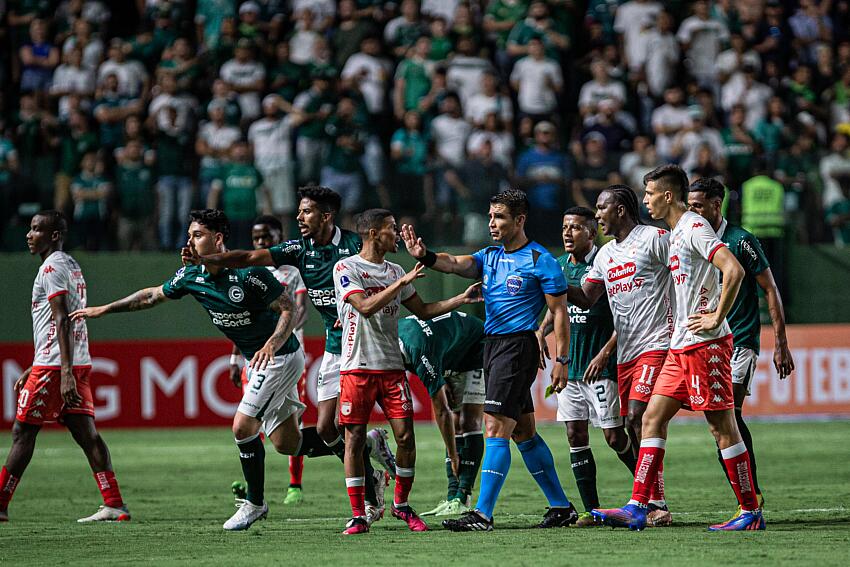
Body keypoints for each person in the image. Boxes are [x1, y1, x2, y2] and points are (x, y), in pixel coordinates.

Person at [72, 210, 335, 531]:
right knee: (286, 444)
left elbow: (288, 308)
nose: (190, 241)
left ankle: (254, 503)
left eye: (197, 235)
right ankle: (359, 445)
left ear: (218, 239)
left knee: (242, 426)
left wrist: (272, 343)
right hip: (262, 358)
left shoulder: (248, 273)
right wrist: (105, 309)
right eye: (189, 236)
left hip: (280, 356)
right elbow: (151, 296)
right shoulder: (191, 276)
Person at [186, 187, 396, 526]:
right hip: (333, 347)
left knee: (354, 427)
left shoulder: (356, 246)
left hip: (367, 346)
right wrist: (209, 259)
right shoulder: (299, 249)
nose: (299, 218)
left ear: (326, 216)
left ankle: (380, 501)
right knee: (327, 430)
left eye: (307, 212)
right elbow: (251, 258)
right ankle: (374, 457)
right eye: (299, 211)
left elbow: (387, 274)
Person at [592, 165, 763, 531]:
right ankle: (640, 505)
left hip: (706, 345)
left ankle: (750, 511)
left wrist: (717, 315)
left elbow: (733, 269)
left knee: (722, 428)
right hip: (680, 345)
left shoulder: (693, 227)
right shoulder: (674, 233)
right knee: (650, 418)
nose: (646, 200)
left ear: (668, 195)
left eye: (650, 194)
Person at [402, 189, 578, 532]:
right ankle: (561, 507)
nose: (492, 223)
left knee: (494, 426)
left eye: (499, 217)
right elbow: (453, 264)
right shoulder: (490, 256)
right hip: (494, 346)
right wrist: (424, 256)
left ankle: (482, 514)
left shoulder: (540, 260)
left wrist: (562, 359)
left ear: (520, 220)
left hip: (518, 348)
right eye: (490, 216)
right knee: (524, 432)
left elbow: (559, 313)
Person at [333, 209, 482, 535]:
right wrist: (400, 282)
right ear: (373, 234)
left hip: (390, 369)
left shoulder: (396, 269)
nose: (396, 235)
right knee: (354, 439)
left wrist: (460, 298)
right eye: (390, 229)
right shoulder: (347, 268)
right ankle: (359, 514)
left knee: (405, 438)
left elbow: (425, 311)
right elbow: (364, 307)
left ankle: (401, 505)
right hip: (357, 368)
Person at [1, 211, 129, 523]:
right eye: (30, 229)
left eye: (36, 229)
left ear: (54, 235)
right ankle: (114, 503)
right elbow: (58, 321)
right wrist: (36, 365)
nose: (29, 235)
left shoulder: (51, 267)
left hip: (59, 367)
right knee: (86, 433)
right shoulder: (70, 264)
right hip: (68, 361)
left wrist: (63, 372)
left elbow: (61, 319)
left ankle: (0, 505)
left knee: (23, 431)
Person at [687, 177, 794, 519]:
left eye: (698, 205)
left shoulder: (740, 240)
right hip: (704, 342)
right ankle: (746, 495)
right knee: (717, 420)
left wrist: (780, 342)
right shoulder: (690, 238)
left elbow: (769, 288)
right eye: (689, 206)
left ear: (716, 205)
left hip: (740, 341)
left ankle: (751, 496)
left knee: (729, 414)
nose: (693, 212)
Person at [566, 185, 674, 527]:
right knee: (633, 424)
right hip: (626, 352)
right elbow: (586, 298)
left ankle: (644, 503)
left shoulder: (655, 238)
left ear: (621, 210)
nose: (597, 214)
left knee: (639, 417)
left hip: (657, 342)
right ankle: (655, 502)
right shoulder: (605, 255)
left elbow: (689, 267)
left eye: (602, 208)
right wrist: (548, 281)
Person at [537, 207, 638, 527]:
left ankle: (648, 494)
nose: (568, 233)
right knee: (574, 433)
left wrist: (605, 353)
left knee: (612, 436)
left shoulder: (606, 263)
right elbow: (557, 310)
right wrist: (542, 332)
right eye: (565, 227)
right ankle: (591, 510)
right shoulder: (560, 267)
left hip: (601, 367)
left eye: (576, 228)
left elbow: (625, 315)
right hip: (571, 368)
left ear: (592, 233)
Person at [227, 215, 309, 506]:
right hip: (254, 356)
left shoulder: (292, 271)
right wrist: (235, 358)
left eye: (267, 237)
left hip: (285, 354)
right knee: (253, 419)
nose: (261, 243)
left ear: (280, 237)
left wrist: (282, 331)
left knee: (287, 422)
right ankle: (253, 485)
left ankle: (294, 484)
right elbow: (244, 320)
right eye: (257, 238)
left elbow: (301, 309)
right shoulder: (248, 272)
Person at [398, 312, 486, 517]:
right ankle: (451, 497)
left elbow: (441, 411)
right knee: (456, 424)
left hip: (476, 347)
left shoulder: (416, 349)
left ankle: (463, 496)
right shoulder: (393, 338)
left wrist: (453, 454)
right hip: (449, 353)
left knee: (468, 421)